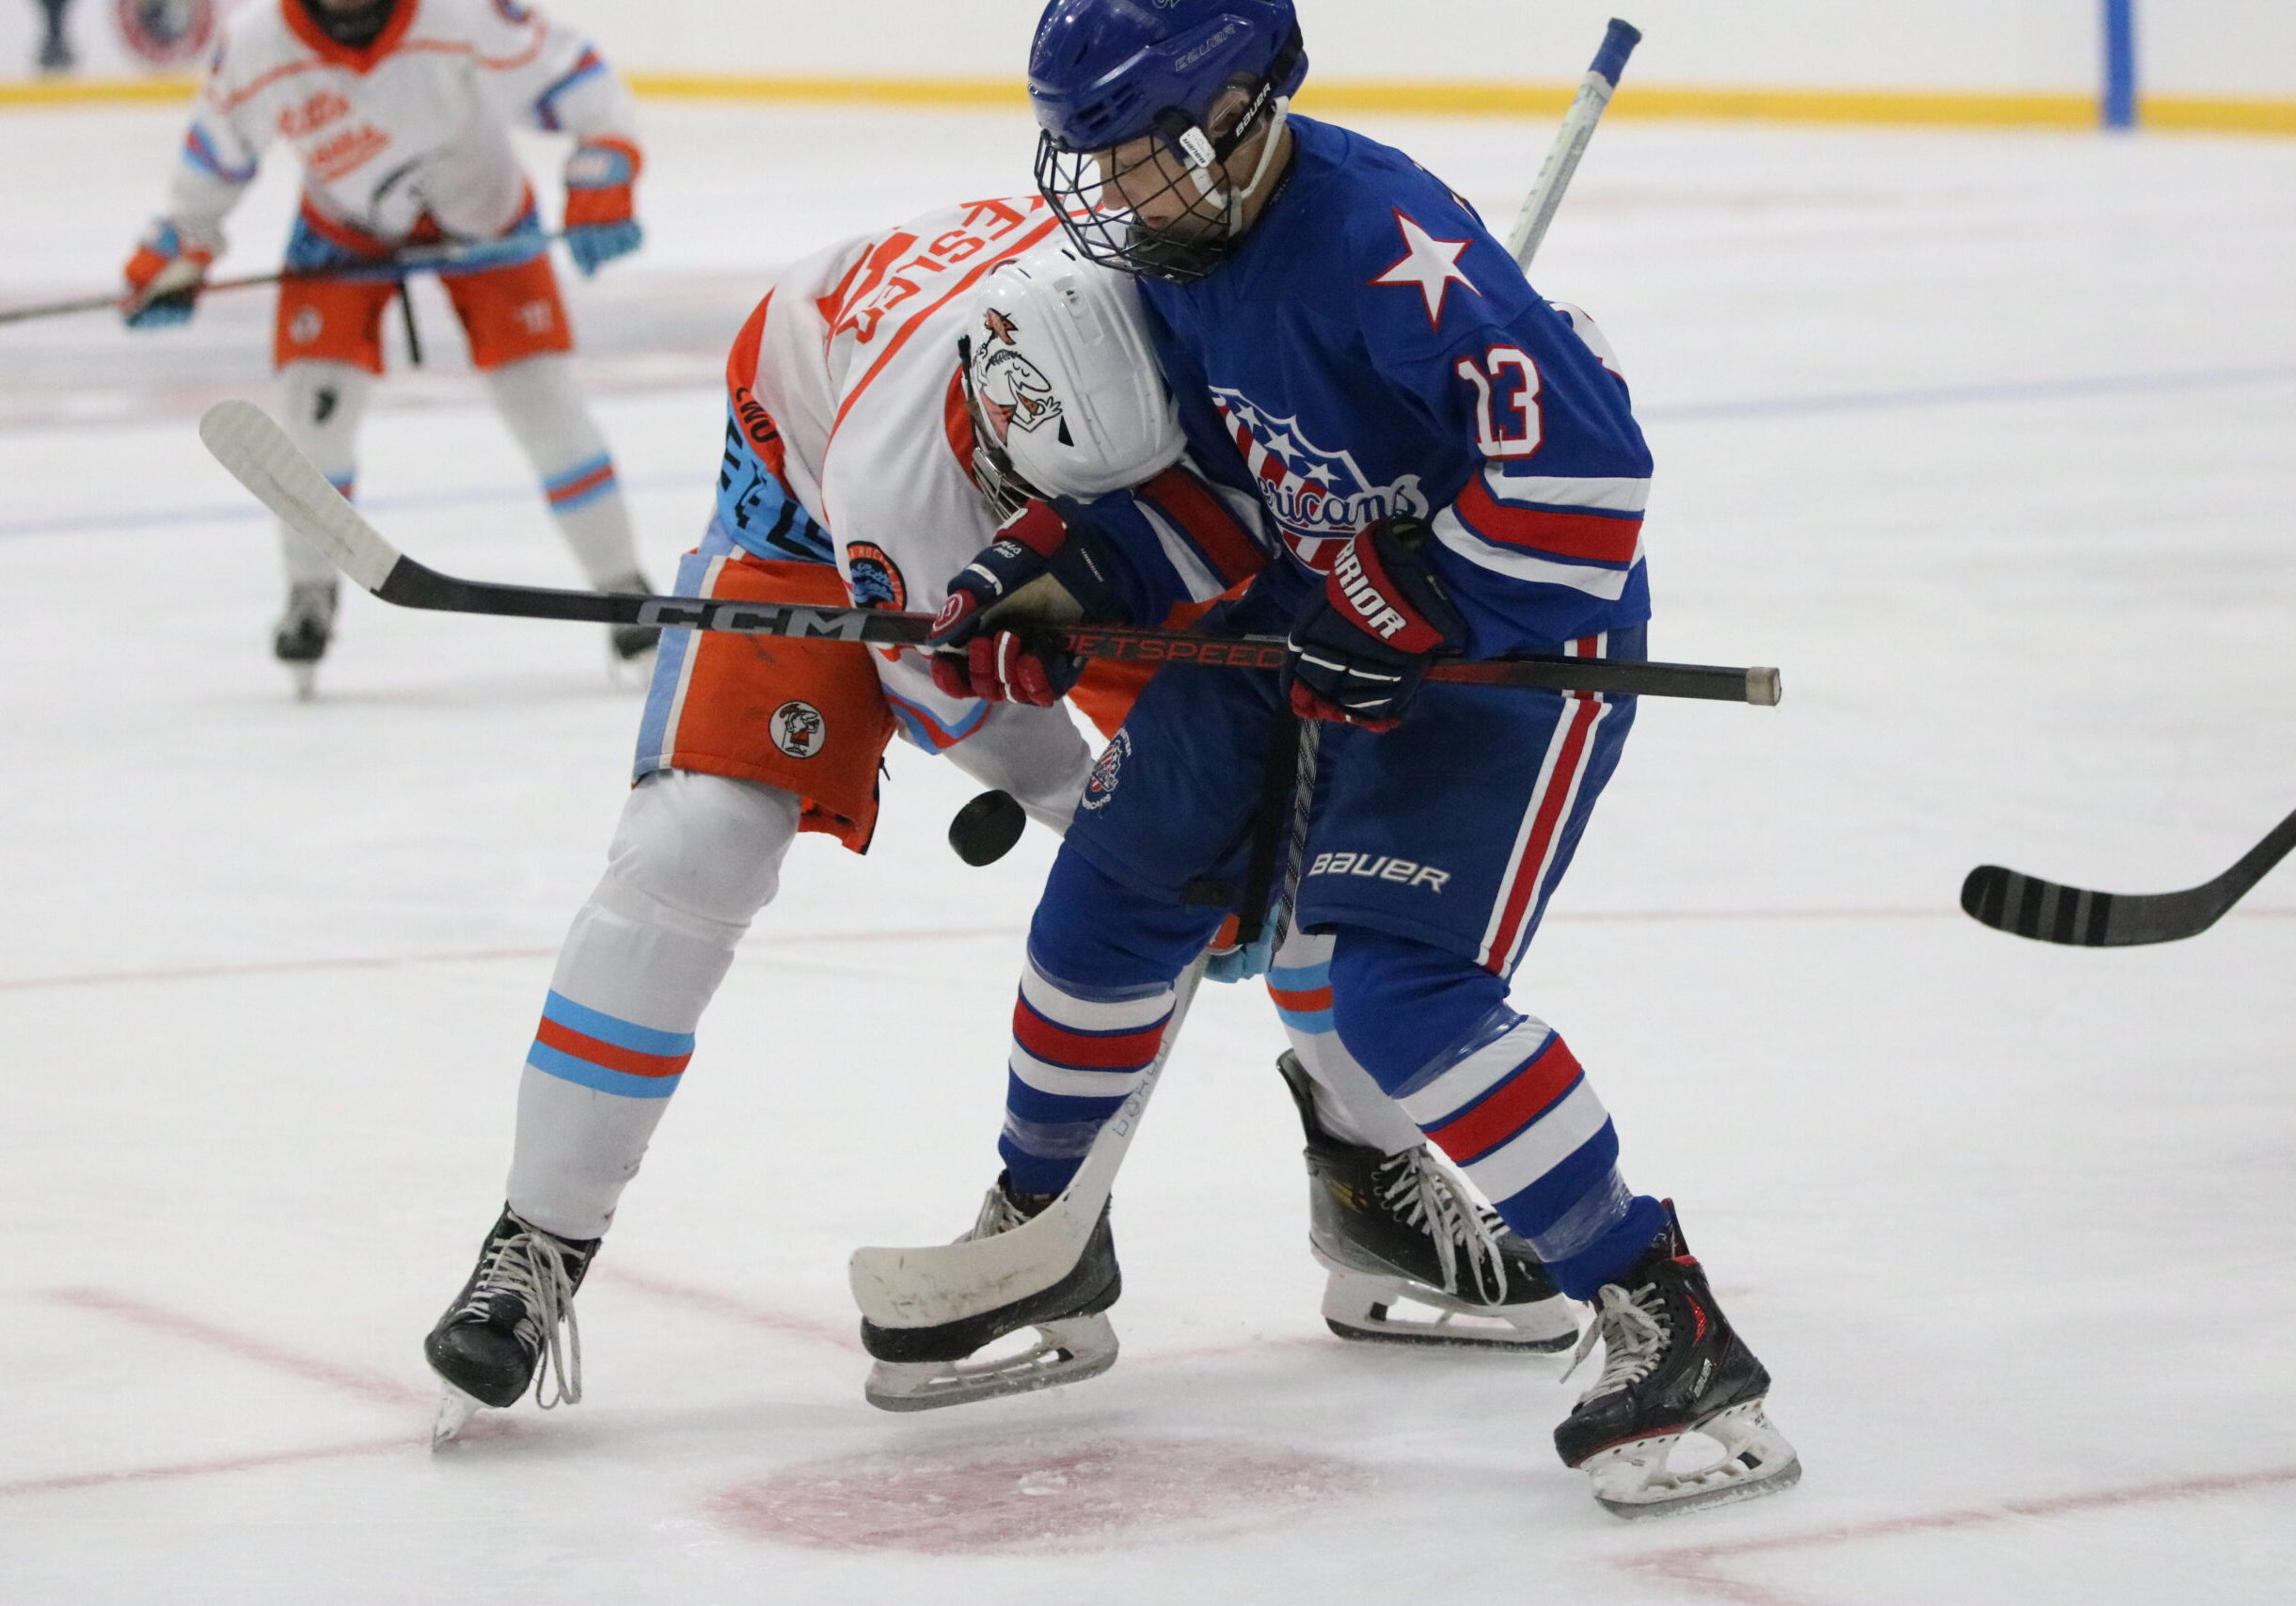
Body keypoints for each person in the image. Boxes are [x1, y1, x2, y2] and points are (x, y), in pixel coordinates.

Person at [420, 212, 1575, 1443]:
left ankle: (1371, 1176)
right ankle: (537, 1238)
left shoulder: (1195, 337)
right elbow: (964, 709)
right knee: (695, 839)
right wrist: (1118, 828)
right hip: (810, 494)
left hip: (1150, 527)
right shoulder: (895, 479)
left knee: (1322, 821)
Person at [895, 0, 1799, 1518]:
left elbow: (1586, 485)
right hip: (1319, 605)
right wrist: (1067, 576)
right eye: (1093, 162)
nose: (1113, 195)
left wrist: (1415, 590)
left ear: (1248, 112)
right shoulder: (1181, 257)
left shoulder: (1387, 244)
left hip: (1513, 650)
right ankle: (1043, 1236)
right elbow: (1225, 494)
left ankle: (1661, 1311)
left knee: (1395, 992)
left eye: (1144, 158)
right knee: (1113, 886)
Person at [119, 0, 656, 694]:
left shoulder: (460, 14)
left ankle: (620, 581)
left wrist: (602, 173)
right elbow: (216, 155)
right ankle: (309, 592)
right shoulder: (259, 43)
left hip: (487, 221)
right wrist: (176, 249)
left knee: (543, 402)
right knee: (317, 421)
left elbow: (581, 81)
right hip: (343, 235)